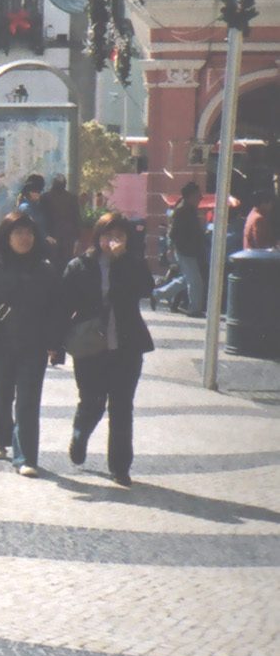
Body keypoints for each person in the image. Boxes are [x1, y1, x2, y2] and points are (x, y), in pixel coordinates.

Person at [58, 212, 155, 488]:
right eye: (108, 235)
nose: (113, 241)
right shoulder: (79, 266)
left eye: (120, 236)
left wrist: (125, 259)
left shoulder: (132, 263)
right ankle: (80, 434)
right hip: (90, 346)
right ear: (97, 237)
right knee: (92, 402)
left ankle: (120, 467)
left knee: (122, 407)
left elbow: (146, 288)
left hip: (126, 345)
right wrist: (56, 345)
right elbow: (63, 306)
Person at [0, 210, 65, 477]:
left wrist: (56, 342)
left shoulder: (45, 270)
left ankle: (26, 457)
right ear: (7, 236)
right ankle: (0, 438)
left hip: (33, 344)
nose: (25, 238)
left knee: (28, 401)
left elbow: (57, 309)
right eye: (19, 232)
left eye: (29, 232)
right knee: (1, 395)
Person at [153, 182, 207, 316]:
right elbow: (173, 231)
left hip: (189, 250)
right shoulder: (182, 210)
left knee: (186, 279)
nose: (200, 198)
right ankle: (194, 309)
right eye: (197, 195)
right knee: (195, 281)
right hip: (185, 250)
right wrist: (170, 248)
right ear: (190, 196)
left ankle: (157, 294)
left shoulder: (188, 209)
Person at [44, 174, 82, 262]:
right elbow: (77, 219)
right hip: (68, 238)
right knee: (66, 263)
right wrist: (77, 237)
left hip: (52, 237)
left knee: (53, 263)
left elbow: (43, 218)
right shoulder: (72, 198)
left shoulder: (45, 197)